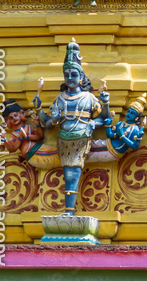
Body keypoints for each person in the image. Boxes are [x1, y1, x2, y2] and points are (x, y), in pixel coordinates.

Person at [34, 40, 109, 215]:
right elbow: (47, 124)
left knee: (72, 174)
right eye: (67, 75)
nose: (70, 78)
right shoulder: (60, 99)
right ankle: (69, 210)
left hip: (81, 138)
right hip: (64, 139)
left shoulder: (89, 98)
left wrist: (104, 104)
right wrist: (38, 108)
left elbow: (104, 119)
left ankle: (69, 211)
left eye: (74, 74)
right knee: (68, 174)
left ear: (81, 77)